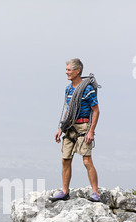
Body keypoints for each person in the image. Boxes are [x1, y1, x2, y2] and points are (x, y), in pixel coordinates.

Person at [50, 58, 100, 202]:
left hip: (83, 126)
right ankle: (65, 191)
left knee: (86, 160)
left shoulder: (87, 89)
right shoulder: (68, 89)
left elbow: (96, 111)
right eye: (66, 70)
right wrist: (61, 128)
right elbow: (68, 110)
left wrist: (91, 131)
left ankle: (95, 192)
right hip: (70, 127)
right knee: (65, 159)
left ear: (78, 71)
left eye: (69, 70)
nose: (66, 72)